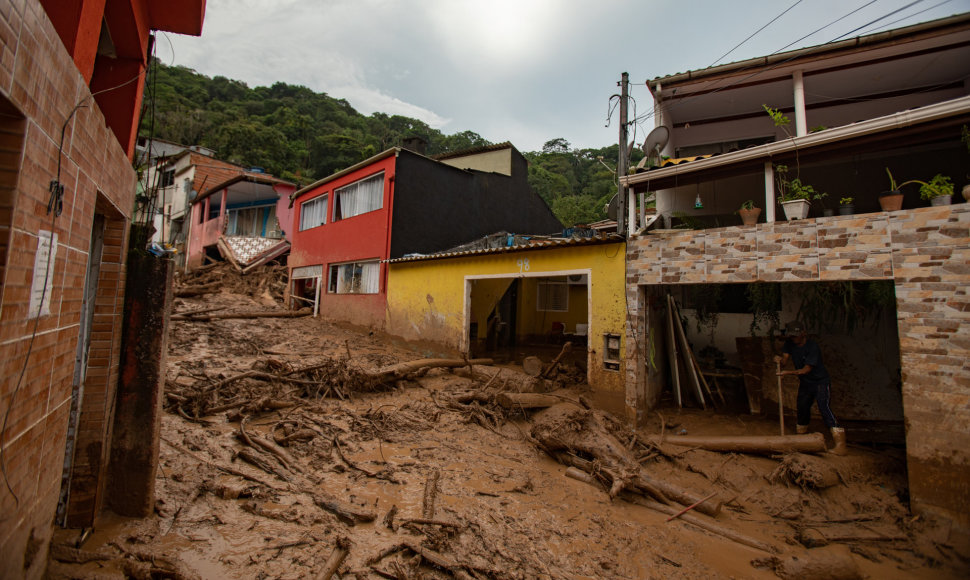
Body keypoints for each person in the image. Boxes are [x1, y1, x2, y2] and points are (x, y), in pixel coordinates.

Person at [774, 321, 846, 455]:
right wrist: (779, 360)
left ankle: (840, 444)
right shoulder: (789, 344)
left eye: (796, 336)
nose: (794, 338)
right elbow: (784, 360)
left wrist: (787, 373)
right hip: (805, 383)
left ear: (803, 333)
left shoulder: (812, 347)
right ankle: (801, 440)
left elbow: (806, 369)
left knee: (824, 407)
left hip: (820, 382)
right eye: (791, 336)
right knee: (802, 407)